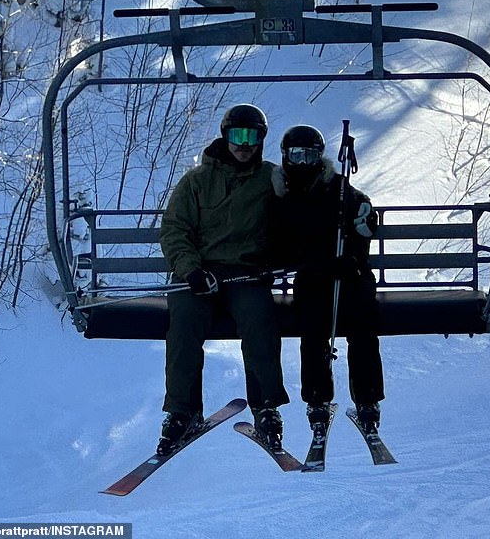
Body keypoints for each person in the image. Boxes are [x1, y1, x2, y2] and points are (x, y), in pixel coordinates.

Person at [157, 104, 289, 454]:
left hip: (246, 276)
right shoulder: (198, 180)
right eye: (236, 136)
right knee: (184, 323)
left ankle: (265, 405)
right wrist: (190, 270)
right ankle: (182, 410)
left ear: (262, 139)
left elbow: (306, 205)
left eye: (252, 136)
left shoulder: (271, 179)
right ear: (224, 136)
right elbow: (174, 229)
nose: (243, 145)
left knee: (259, 319)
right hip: (201, 275)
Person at [271, 124, 384, 436]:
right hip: (313, 276)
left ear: (320, 157)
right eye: (297, 155)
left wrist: (359, 234)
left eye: (310, 155)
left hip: (348, 272)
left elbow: (362, 221)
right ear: (286, 156)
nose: (303, 162)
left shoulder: (339, 188)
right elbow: (279, 240)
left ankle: (367, 398)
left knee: (363, 327)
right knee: (313, 331)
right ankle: (318, 400)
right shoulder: (282, 193)